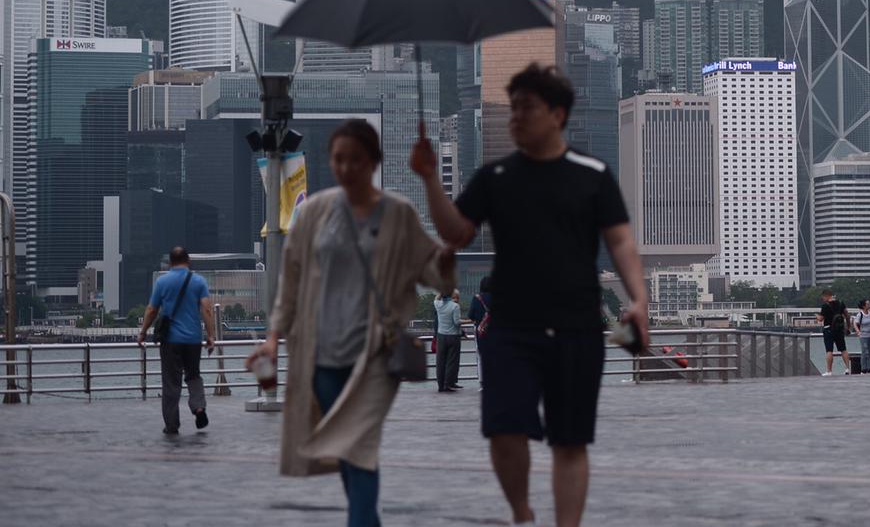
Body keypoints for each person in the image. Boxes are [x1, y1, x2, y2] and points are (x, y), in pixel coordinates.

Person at [411, 63, 649, 527]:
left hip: (576, 325)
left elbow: (621, 241)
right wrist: (427, 180)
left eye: (526, 108)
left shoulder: (592, 173)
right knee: (504, 432)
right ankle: (522, 512)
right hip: (511, 325)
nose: (515, 118)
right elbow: (456, 232)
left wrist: (638, 299)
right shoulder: (495, 176)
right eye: (512, 108)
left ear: (557, 114)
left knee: (569, 440)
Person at [246, 119, 455, 527]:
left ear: (374, 161)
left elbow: (435, 275)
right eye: (338, 159)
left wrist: (446, 257)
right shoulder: (315, 214)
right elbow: (291, 279)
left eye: (355, 159)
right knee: (350, 453)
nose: (345, 168)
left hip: (376, 355)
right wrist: (273, 338)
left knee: (359, 445)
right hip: (321, 353)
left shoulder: (399, 214)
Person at [137, 245, 216, 435]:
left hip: (171, 340)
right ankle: (199, 408)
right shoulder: (199, 282)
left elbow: (151, 310)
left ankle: (172, 425)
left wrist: (143, 332)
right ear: (188, 261)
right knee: (193, 375)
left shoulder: (162, 282)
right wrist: (211, 336)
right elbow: (206, 309)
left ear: (170, 263)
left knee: (171, 382)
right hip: (193, 339)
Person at [435, 289, 463, 392]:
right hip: (453, 336)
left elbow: (437, 297)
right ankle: (448, 384)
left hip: (441, 336)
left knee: (440, 362)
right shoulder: (455, 306)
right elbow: (457, 322)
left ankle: (440, 385)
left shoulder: (438, 304)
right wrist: (469, 320)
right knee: (451, 362)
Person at [817, 290, 851, 376]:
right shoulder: (840, 303)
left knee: (829, 350)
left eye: (823, 297)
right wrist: (848, 327)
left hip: (828, 329)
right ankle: (847, 368)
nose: (823, 299)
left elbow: (821, 319)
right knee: (843, 349)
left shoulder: (825, 306)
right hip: (839, 330)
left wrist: (817, 316)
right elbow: (847, 315)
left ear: (826, 296)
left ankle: (829, 371)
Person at [855, 299, 870, 373]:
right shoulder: (860, 314)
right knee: (865, 351)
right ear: (863, 306)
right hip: (863, 335)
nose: (869, 305)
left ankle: (869, 368)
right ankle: (863, 368)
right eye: (867, 304)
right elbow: (856, 323)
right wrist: (858, 331)